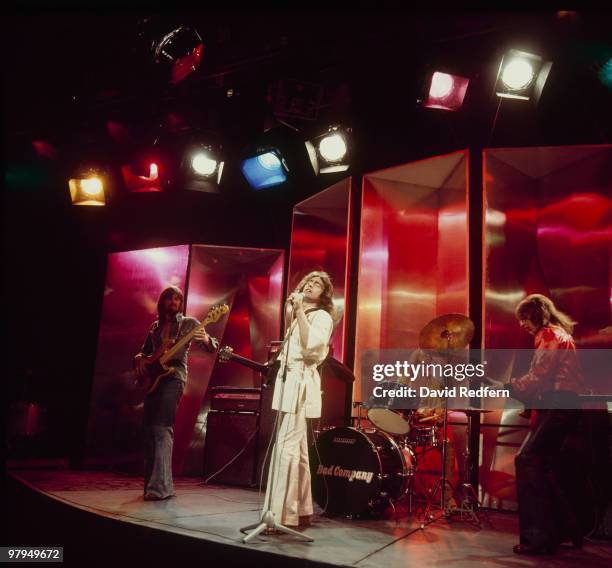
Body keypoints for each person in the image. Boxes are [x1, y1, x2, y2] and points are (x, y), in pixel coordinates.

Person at [507, 294, 585, 555]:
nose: (522, 325)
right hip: (564, 404)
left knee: (527, 459)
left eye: (524, 318)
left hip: (558, 404)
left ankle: (538, 538)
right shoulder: (558, 334)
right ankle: (562, 530)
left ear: (537, 315)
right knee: (543, 465)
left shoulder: (549, 335)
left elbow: (539, 376)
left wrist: (510, 387)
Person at [263, 271, 335, 528]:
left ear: (323, 295)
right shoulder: (296, 317)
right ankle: (302, 510)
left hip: (301, 383)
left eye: (317, 285)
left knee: (286, 447)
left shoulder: (322, 317)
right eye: (308, 281)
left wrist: (300, 313)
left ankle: (281, 515)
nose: (311, 285)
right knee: (299, 448)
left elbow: (312, 347)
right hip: (288, 381)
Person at [133, 285, 218, 501]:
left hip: (174, 378)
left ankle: (160, 488)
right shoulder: (155, 326)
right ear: (162, 302)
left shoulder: (189, 323)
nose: (174, 303)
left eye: (178, 300)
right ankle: (154, 487)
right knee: (150, 430)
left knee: (162, 428)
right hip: (154, 379)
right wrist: (139, 358)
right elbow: (145, 352)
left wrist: (207, 340)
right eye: (170, 299)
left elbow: (211, 346)